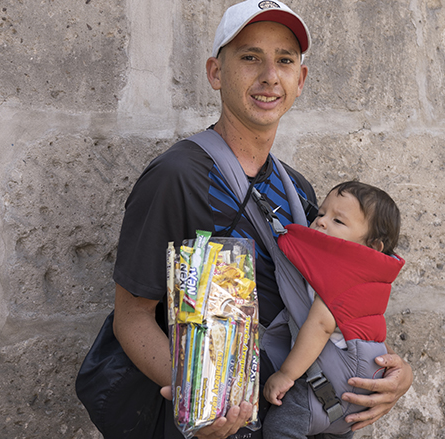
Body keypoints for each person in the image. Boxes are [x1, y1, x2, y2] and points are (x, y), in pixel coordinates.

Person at [111, 1, 413, 438]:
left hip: (288, 414)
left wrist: (394, 373)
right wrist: (196, 400)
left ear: (300, 80)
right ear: (216, 72)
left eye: (285, 61)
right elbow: (132, 317)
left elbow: (335, 298)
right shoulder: (177, 177)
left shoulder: (300, 191)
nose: (270, 75)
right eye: (251, 57)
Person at [262, 181, 404, 438]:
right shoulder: (370, 280)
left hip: (328, 386)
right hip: (357, 395)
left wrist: (285, 374)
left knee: (279, 428)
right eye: (320, 214)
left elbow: (320, 325)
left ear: (372, 247)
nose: (321, 222)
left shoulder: (340, 276)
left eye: (338, 221)